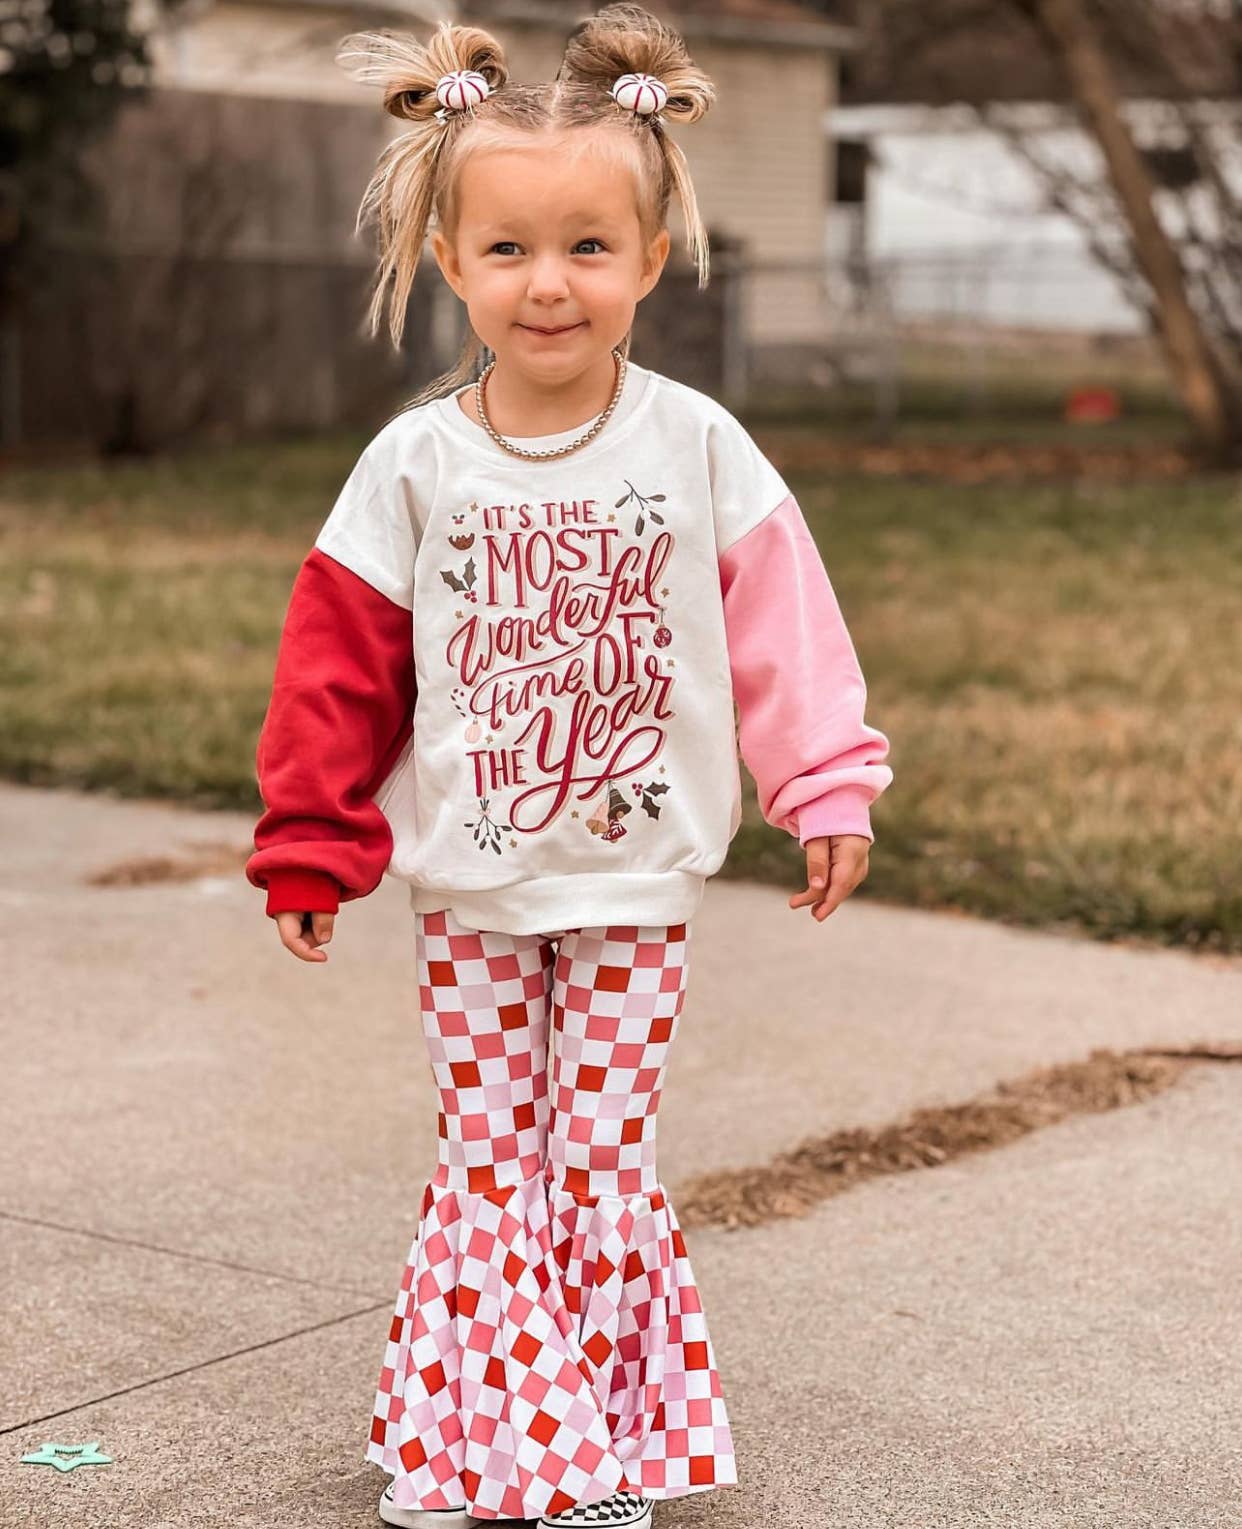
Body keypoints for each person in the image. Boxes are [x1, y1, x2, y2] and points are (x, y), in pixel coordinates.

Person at [245, 5, 894, 1527]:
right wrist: (310, 836)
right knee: (488, 1160)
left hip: (635, 882)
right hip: (469, 886)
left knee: (597, 1159)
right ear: (450, 263)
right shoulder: (415, 464)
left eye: (590, 248)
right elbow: (335, 668)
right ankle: (463, 1450)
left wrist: (824, 783)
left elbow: (785, 631)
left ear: (653, 259)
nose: (550, 284)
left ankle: (596, 1457)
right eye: (510, 251)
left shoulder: (698, 445)